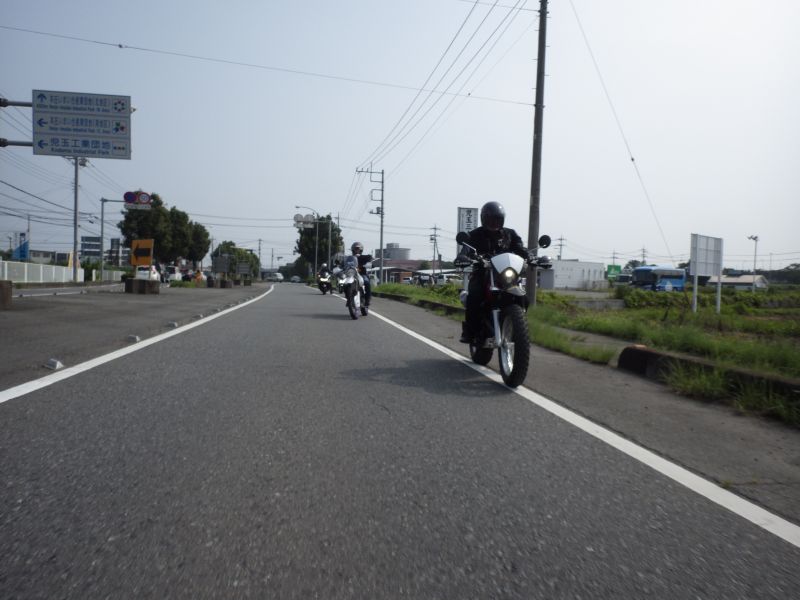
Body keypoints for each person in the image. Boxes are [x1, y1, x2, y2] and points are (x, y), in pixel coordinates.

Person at [459, 201, 529, 344]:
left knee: (524, 298)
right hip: (482, 273)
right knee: (474, 296)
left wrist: (532, 257)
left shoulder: (510, 234)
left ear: (502, 220)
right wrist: (463, 257)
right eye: (490, 219)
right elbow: (466, 250)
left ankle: (517, 327)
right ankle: (469, 332)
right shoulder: (474, 235)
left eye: (497, 219)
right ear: (483, 219)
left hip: (505, 274)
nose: (493, 222)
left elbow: (521, 249)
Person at [350, 242, 372, 306]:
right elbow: (344, 263)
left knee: (367, 282)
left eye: (358, 249)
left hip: (362, 274)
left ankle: (367, 300)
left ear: (361, 250)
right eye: (355, 249)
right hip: (352, 275)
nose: (357, 250)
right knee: (345, 283)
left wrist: (369, 262)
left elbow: (369, 257)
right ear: (353, 250)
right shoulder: (350, 258)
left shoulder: (364, 257)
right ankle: (349, 296)